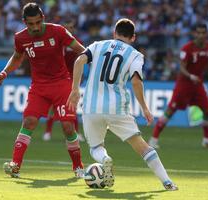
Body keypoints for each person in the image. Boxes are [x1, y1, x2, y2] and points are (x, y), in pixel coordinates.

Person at [67, 18, 178, 190]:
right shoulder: (135, 55)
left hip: (91, 107)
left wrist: (75, 89)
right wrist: (145, 108)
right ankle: (167, 182)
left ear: (114, 33)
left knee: (95, 147)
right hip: (117, 108)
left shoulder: (97, 46)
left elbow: (79, 61)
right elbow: (136, 82)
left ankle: (105, 159)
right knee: (142, 147)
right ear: (133, 37)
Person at [0, 3, 85, 178]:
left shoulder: (58, 31)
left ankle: (78, 167)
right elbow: (17, 56)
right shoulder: (20, 38)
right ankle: (15, 165)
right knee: (28, 122)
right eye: (30, 24)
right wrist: (5, 72)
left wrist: (94, 61)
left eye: (38, 22)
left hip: (61, 84)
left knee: (67, 126)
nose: (35, 27)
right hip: (39, 87)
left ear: (43, 17)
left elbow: (81, 50)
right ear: (24, 22)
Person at [148, 23, 208, 150]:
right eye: (198, 32)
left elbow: (207, 64)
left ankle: (207, 140)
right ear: (195, 34)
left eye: (203, 32)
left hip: (198, 85)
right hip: (184, 84)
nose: (201, 35)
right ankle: (153, 140)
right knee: (170, 111)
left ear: (206, 34)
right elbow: (181, 67)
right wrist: (190, 76)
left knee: (207, 111)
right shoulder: (187, 48)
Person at [42, 19, 84, 142]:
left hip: (73, 79)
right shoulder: (57, 42)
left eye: (71, 27)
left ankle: (75, 132)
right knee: (53, 106)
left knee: (72, 105)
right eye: (67, 27)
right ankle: (48, 131)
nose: (69, 30)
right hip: (57, 77)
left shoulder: (77, 43)